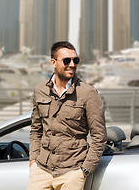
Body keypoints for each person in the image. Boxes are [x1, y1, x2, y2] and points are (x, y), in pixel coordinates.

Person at [27, 41, 106, 190]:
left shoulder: (88, 93)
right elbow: (36, 130)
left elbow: (99, 136)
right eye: (66, 60)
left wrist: (84, 170)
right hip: (41, 170)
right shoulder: (40, 90)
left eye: (75, 60)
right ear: (53, 62)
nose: (72, 64)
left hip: (72, 172)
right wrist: (33, 160)